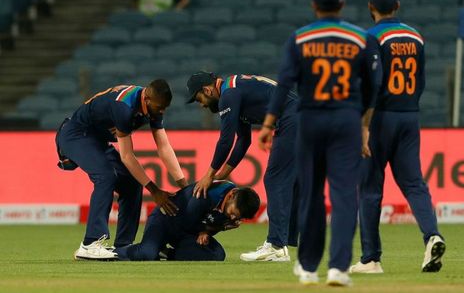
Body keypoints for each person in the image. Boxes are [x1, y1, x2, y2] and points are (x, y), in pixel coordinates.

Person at [258, 0, 381, 286]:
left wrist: (269, 123)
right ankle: (339, 267)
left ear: (314, 5)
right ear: (341, 4)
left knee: (311, 194)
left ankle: (309, 267)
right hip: (346, 121)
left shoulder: (300, 38)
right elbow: (373, 87)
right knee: (343, 195)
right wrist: (362, 122)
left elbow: (284, 83)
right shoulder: (360, 37)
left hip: (310, 120)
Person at [349, 0, 445, 274]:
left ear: (370, 8)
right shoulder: (416, 36)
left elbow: (372, 84)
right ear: (398, 6)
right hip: (409, 115)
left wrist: (364, 125)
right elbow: (423, 80)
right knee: (414, 184)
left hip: (380, 119)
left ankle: (371, 259)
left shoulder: (371, 37)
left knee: (369, 188)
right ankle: (432, 236)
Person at [56, 79, 187, 260]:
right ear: (147, 99)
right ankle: (90, 243)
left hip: (97, 140)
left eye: (165, 107)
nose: (162, 111)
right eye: (159, 107)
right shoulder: (124, 107)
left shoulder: (153, 106)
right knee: (105, 176)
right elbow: (127, 156)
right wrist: (155, 191)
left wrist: (185, 185)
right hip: (76, 134)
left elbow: (164, 147)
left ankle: (123, 245)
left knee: (132, 183)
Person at [186, 71, 299, 262]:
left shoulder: (228, 96)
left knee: (275, 179)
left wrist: (209, 175)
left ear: (207, 89)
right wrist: (223, 174)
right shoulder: (235, 89)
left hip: (292, 120)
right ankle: (285, 240)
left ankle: (277, 245)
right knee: (292, 181)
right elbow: (243, 140)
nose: (202, 105)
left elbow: (226, 141)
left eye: (200, 99)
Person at [111, 181, 260, 261]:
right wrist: (209, 230)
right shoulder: (206, 194)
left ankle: (166, 253)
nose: (233, 218)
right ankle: (110, 253)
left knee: (217, 255)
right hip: (165, 221)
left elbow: (204, 223)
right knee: (146, 254)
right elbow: (189, 221)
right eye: (234, 213)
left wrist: (209, 231)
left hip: (185, 232)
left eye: (238, 218)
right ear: (232, 194)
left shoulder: (230, 201)